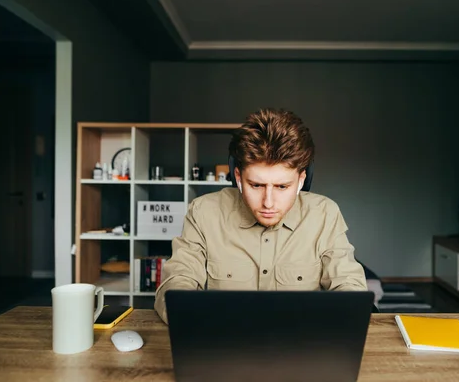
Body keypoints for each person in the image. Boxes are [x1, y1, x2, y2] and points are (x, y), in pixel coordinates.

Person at [154, 108, 367, 323]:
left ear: (302, 180)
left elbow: (349, 285)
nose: (268, 202)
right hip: (224, 346)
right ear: (238, 177)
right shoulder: (204, 212)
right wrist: (186, 312)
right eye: (256, 185)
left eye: (282, 186)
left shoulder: (324, 214)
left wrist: (343, 315)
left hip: (302, 348)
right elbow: (178, 281)